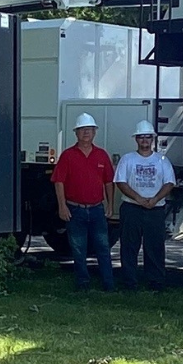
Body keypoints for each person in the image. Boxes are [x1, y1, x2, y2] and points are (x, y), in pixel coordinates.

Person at [51, 113, 115, 290]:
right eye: (82, 130)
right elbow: (59, 182)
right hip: (75, 209)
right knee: (78, 249)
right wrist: (62, 206)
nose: (86, 132)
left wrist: (110, 205)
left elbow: (109, 181)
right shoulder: (68, 155)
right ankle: (82, 283)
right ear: (76, 133)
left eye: (89, 129)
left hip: (96, 209)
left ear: (95, 132)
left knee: (103, 247)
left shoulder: (102, 155)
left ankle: (108, 283)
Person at [114, 120, 175, 290]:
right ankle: (129, 282)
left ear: (153, 139)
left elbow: (169, 183)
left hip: (155, 209)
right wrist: (138, 199)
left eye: (148, 137)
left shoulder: (162, 160)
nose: (145, 140)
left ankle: (156, 283)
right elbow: (120, 182)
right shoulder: (128, 159)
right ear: (136, 139)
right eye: (141, 137)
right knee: (129, 247)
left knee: (155, 247)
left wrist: (155, 199)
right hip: (131, 208)